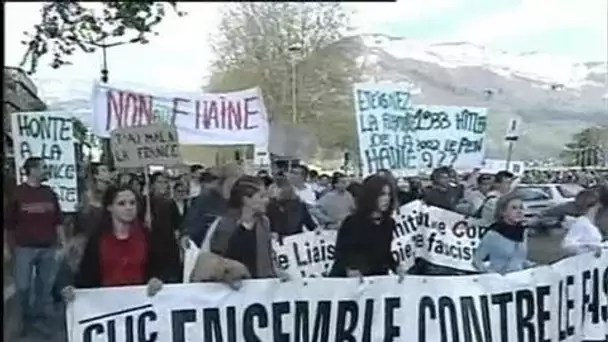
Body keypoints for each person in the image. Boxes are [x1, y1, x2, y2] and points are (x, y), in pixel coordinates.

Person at [62, 186, 164, 296]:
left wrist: (156, 280)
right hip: (106, 303)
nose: (129, 208)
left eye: (132, 203)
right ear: (110, 207)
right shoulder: (98, 239)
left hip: (140, 301)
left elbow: (159, 268)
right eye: (122, 203)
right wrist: (73, 291)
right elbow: (86, 274)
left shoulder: (148, 237)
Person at [5, 157, 66, 337]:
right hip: (24, 248)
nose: (46, 170)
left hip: (48, 247)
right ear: (32, 170)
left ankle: (38, 320)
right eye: (42, 167)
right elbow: (8, 223)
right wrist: (6, 248)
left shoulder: (49, 193)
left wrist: (63, 242)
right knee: (22, 286)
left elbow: (58, 220)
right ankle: (24, 318)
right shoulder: (18, 193)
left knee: (44, 286)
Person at [329, 175, 406, 280]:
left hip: (377, 279)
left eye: (389, 194)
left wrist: (396, 267)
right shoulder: (352, 222)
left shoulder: (389, 223)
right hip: (350, 281)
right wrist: (351, 268)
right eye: (382, 194)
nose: (386, 199)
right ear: (371, 195)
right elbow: (341, 252)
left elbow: (386, 253)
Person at [206, 175, 277, 279]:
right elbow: (216, 260)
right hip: (231, 287)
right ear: (246, 200)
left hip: (260, 285)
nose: (267, 200)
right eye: (262, 196)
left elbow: (267, 260)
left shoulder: (264, 223)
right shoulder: (226, 225)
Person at [472, 192, 535, 274]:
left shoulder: (522, 232)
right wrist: (491, 275)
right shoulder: (493, 234)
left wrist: (531, 265)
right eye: (514, 208)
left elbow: (519, 259)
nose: (519, 211)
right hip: (500, 282)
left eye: (521, 208)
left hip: (520, 281)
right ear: (503, 212)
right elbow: (477, 261)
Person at [145, 172, 182, 282]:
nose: (163, 185)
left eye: (165, 182)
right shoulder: (144, 202)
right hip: (151, 251)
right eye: (159, 182)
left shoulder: (170, 203)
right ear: (152, 185)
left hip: (169, 250)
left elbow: (177, 228)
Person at [182, 167, 230, 247]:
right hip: (206, 244)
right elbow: (192, 221)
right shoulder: (204, 199)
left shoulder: (230, 200)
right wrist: (186, 234)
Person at [561, 189, 604, 257]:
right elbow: (567, 245)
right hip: (585, 263)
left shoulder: (591, 223)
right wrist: (589, 247)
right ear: (597, 205)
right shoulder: (582, 222)